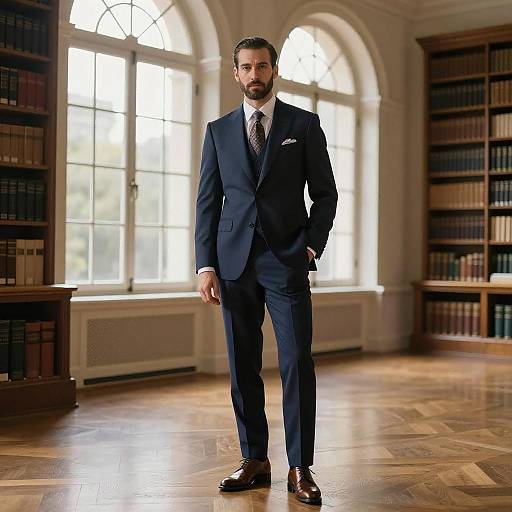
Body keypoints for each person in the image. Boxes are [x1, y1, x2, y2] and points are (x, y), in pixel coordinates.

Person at [194, 36, 337, 505]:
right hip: (233, 263)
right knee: (242, 364)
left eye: (261, 66)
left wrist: (311, 247)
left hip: (286, 260)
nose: (254, 75)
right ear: (235, 73)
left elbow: (326, 195)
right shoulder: (217, 131)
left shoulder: (304, 124)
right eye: (246, 67)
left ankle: (300, 467)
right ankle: (255, 458)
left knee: (297, 362)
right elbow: (208, 204)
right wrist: (205, 264)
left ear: (274, 70)